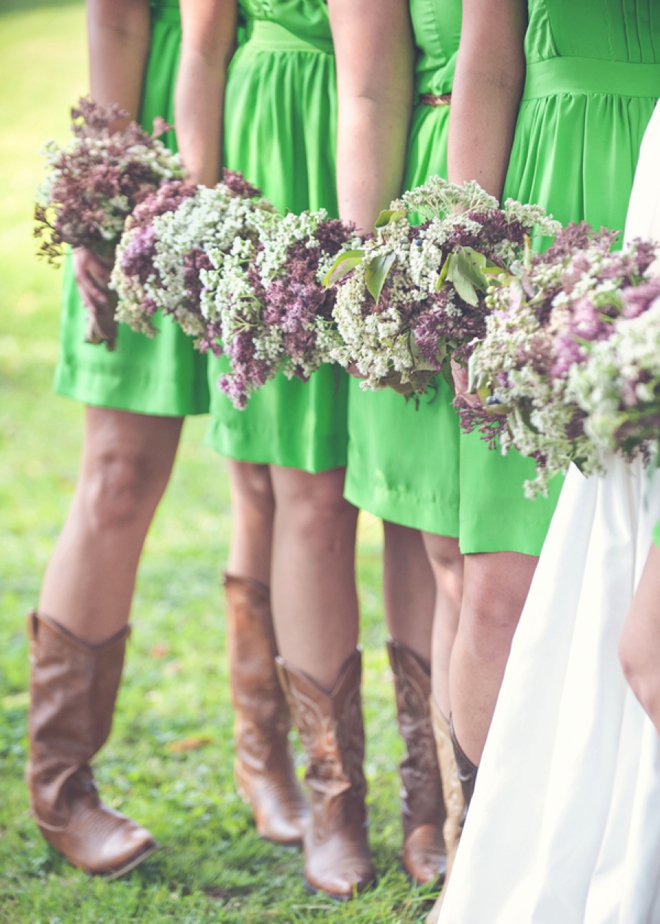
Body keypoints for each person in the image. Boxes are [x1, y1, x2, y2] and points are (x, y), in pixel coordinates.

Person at [437, 7, 660, 921]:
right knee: (510, 579)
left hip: (648, 198)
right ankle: (500, 853)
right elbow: (485, 64)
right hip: (551, 203)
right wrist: (469, 268)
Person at [196, 0, 416, 899]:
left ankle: (436, 796)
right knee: (310, 496)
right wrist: (201, 222)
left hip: (422, 138)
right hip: (284, 153)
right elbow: (202, 45)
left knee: (415, 504)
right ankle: (335, 800)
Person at [26, 0, 235, 878]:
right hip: (150, 170)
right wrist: (108, 193)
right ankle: (61, 786)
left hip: (277, 146)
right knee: (118, 474)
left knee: (278, 484)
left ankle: (286, 780)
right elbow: (115, 16)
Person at [341, 0, 466, 889]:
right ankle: (435, 796)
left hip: (571, 174)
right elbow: (371, 87)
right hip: (421, 211)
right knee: (429, 523)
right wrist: (369, 274)